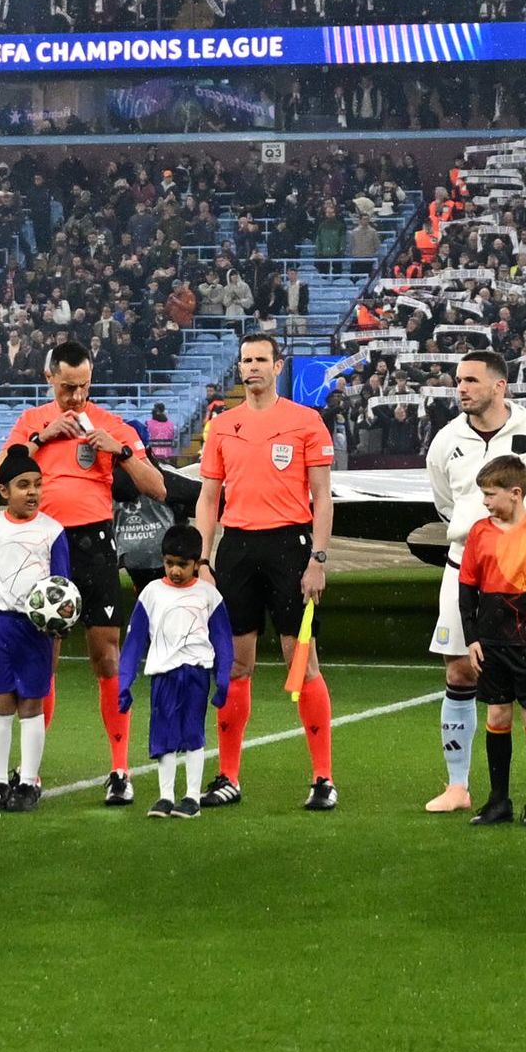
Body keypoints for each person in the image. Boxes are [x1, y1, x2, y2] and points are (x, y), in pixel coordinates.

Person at [0, 337, 174, 806]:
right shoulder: (31, 422)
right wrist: (41, 439)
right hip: (44, 547)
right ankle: (30, 772)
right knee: (44, 660)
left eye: (83, 387)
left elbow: (158, 488)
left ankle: (119, 770)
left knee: (107, 658)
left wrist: (120, 452)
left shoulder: (112, 425)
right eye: (67, 387)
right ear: (49, 378)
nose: (75, 397)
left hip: (95, 546)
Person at [424, 350, 526, 817]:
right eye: (459, 380)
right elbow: (446, 504)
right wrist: (483, 542)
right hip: (465, 567)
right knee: (460, 671)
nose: (461, 388)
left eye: (471, 381)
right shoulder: (445, 440)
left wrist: (522, 545)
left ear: (500, 386)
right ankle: (458, 786)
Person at [191, 331, 344, 811]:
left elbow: (323, 497)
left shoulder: (305, 421)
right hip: (236, 549)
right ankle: (228, 776)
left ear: (278, 366)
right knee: (236, 665)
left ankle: (323, 778)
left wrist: (318, 559)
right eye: (246, 360)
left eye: (261, 359)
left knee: (302, 662)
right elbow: (208, 499)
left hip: (289, 548)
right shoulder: (222, 425)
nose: (252, 367)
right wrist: (203, 560)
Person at [453, 453, 526, 828]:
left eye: (490, 494)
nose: (485, 502)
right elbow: (467, 588)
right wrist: (472, 638)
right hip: (491, 641)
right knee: (497, 714)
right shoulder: (479, 533)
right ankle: (498, 800)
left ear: (515, 493)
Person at [0, 452, 72, 812]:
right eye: (23, 485)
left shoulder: (52, 531)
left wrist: (57, 633)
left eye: (38, 485)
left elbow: (62, 587)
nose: (32, 492)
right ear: (4, 491)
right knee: (0, 704)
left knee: (31, 704)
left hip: (35, 631)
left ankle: (28, 783)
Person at [124, 529, 236, 818]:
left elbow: (222, 639)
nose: (175, 571)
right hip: (164, 675)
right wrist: (125, 680)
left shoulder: (209, 595)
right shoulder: (151, 593)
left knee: (192, 733)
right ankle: (165, 796)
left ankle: (191, 797)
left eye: (182, 565)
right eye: (169, 563)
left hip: (196, 674)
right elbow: (135, 639)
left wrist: (222, 679)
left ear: (196, 563)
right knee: (164, 734)